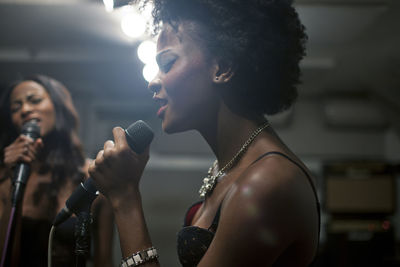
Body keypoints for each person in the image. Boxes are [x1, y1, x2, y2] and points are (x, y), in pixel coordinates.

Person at [89, 0, 320, 266]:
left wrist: (125, 198)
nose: (153, 81)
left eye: (167, 63)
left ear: (221, 69)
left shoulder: (267, 182)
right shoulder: (230, 165)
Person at [0, 74, 114, 267]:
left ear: (58, 107)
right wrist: (13, 182)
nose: (25, 110)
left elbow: (104, 260)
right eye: (15, 108)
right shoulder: (6, 177)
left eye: (34, 100)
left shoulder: (93, 175)